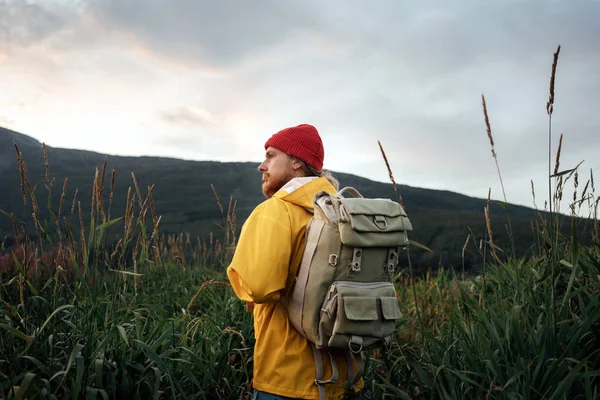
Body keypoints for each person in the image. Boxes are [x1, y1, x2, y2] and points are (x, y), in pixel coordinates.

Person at [227, 124, 362, 400]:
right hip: (346, 376)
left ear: (296, 162)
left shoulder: (276, 210)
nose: (261, 166)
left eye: (270, 156)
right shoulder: (346, 212)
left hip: (287, 378)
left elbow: (259, 286)